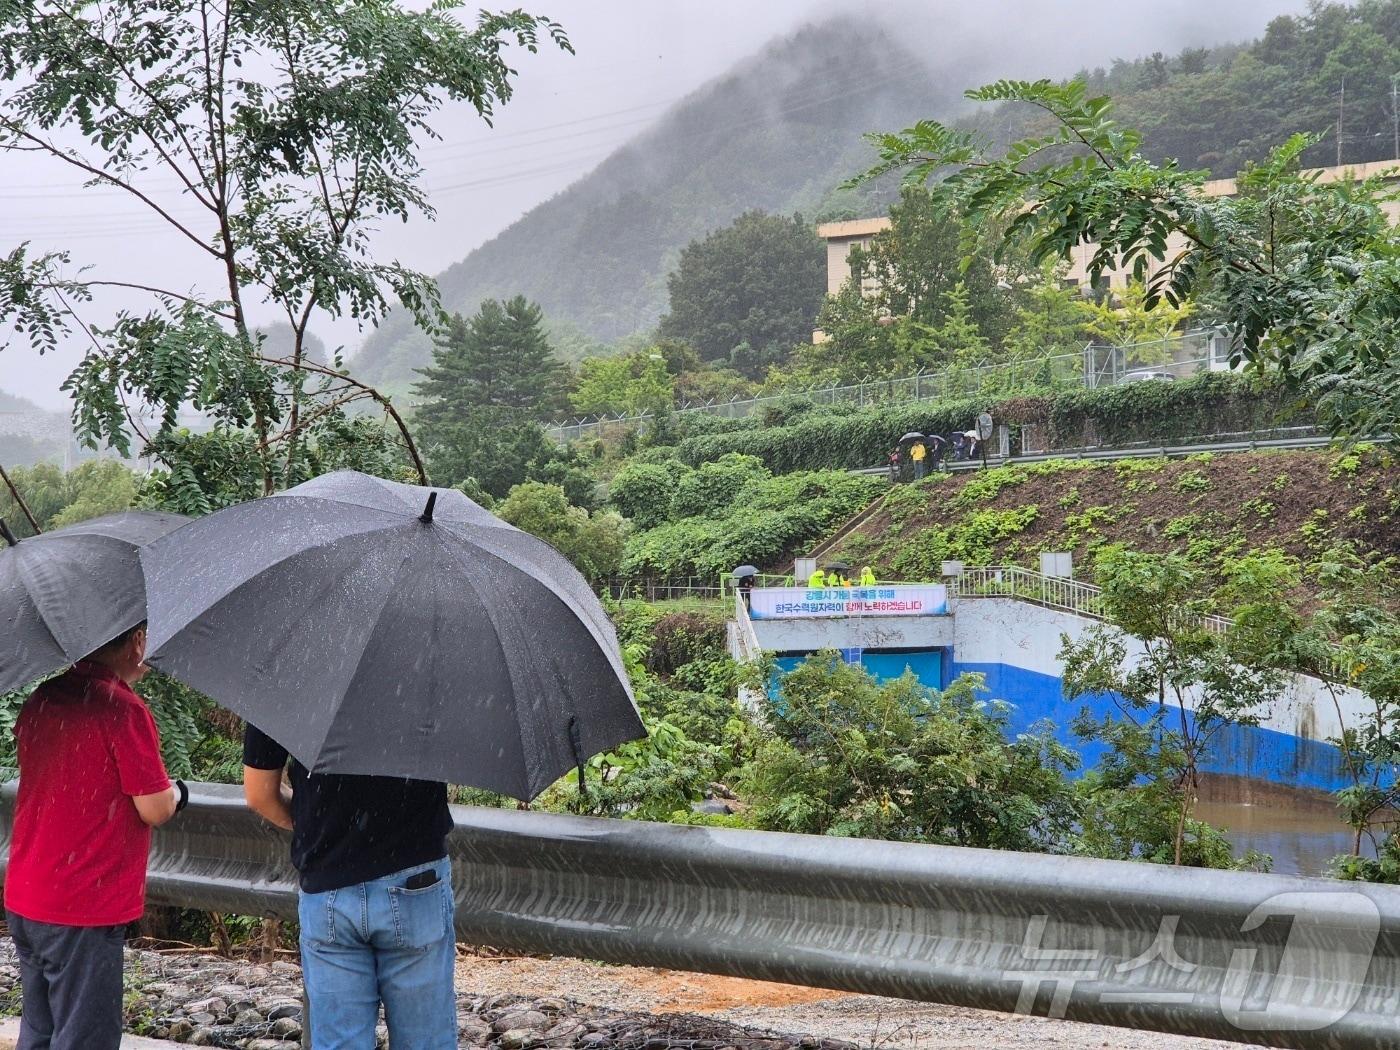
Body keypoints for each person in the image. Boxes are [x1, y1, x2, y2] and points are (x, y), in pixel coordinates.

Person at [5, 622, 185, 1050]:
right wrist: (178, 792)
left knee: (40, 1033)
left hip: (29, 895)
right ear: (136, 642)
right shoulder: (121, 709)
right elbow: (154, 808)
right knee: (85, 1039)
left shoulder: (42, 699)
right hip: (83, 902)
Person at [243, 728, 456, 1050]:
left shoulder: (282, 680)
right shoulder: (435, 679)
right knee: (425, 1039)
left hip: (327, 884)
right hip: (415, 878)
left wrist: (310, 824)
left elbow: (259, 794)